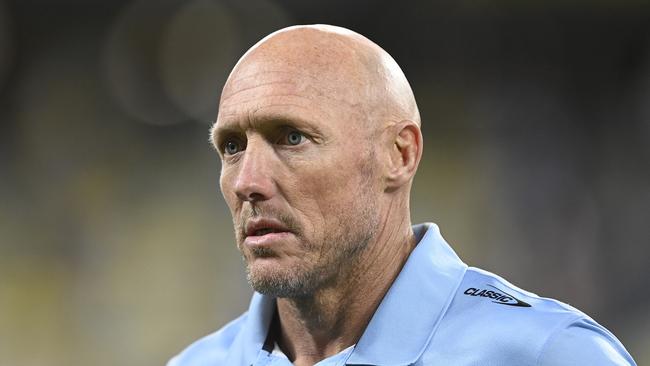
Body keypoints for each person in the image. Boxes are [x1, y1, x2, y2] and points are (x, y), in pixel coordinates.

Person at [168, 24, 636, 366]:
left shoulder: (549, 354)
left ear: (399, 154)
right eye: (232, 146)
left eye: (292, 137)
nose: (248, 180)